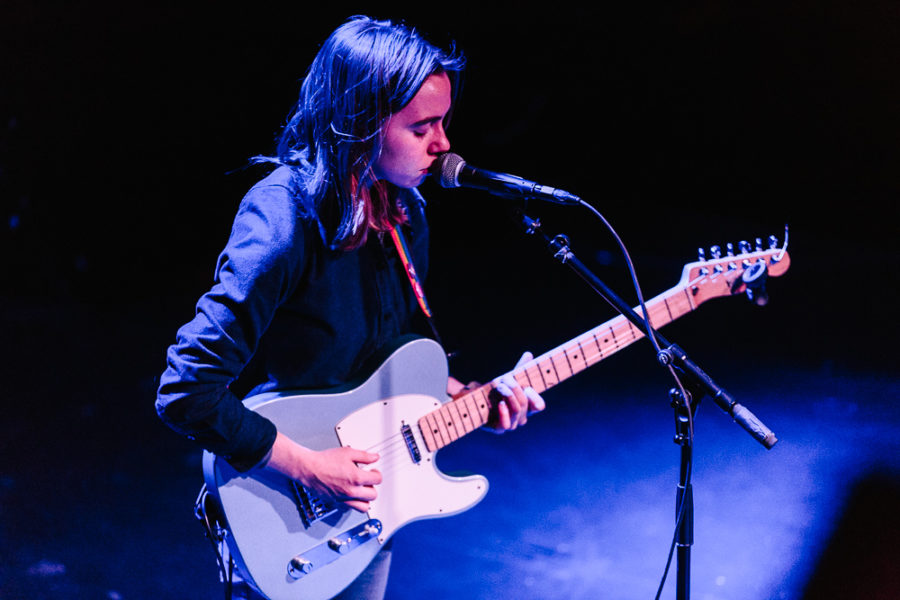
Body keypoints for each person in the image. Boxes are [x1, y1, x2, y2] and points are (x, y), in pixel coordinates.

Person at [156, 15, 545, 600]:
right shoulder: (284, 218)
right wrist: (309, 467)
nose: (443, 143)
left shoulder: (405, 213)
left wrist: (473, 400)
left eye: (443, 122)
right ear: (361, 124)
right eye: (423, 127)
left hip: (366, 506)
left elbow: (397, 365)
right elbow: (186, 388)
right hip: (287, 500)